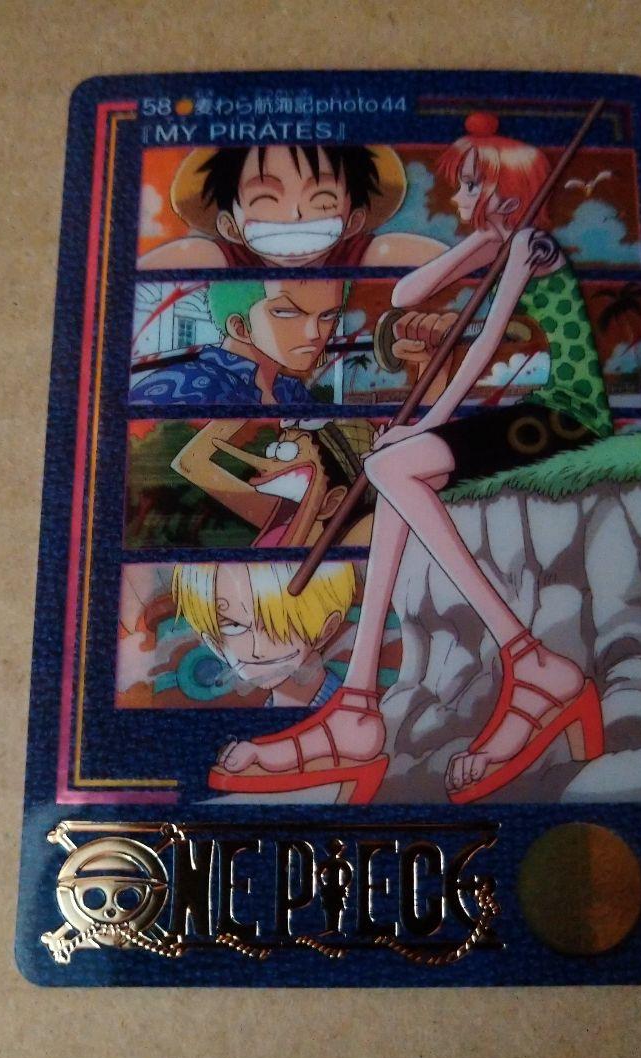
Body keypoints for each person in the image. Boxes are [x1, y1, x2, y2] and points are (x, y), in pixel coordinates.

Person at [210, 114, 611, 805]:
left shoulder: (532, 247)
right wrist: (479, 240)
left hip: (572, 413)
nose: (458, 199)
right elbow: (406, 295)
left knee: (395, 463)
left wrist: (430, 421)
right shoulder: (501, 240)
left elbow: (483, 342)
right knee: (391, 467)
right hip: (539, 410)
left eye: (471, 187)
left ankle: (531, 662)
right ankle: (358, 707)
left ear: (509, 190)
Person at [137, 145, 445, 270]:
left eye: (322, 199)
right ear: (230, 228)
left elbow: (445, 262)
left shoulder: (358, 253)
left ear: (353, 222)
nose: (295, 215)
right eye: (266, 200)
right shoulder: (228, 258)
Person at [130, 279, 346, 406]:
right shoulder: (186, 387)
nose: (314, 333)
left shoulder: (291, 391)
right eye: (286, 313)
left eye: (327, 316)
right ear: (239, 327)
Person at [171, 560, 354, 709]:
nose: (257, 650)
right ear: (214, 644)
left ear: (327, 629)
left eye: (275, 624)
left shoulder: (354, 712)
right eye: (234, 625)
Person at [171, 417, 375, 547]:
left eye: (287, 452)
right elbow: (191, 461)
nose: (267, 464)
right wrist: (251, 398)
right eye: (275, 448)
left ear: (331, 502)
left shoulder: (358, 536)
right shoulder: (282, 514)